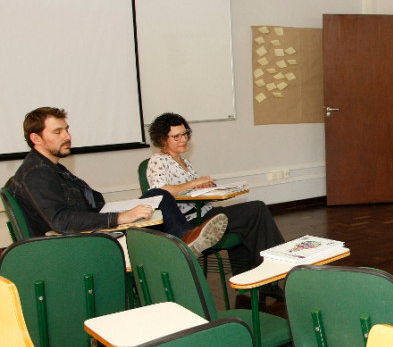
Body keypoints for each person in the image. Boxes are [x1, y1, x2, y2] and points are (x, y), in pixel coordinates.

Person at [8, 107, 227, 258]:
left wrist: (121, 209)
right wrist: (120, 216)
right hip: (72, 244)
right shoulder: (37, 173)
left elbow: (85, 203)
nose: (67, 136)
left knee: (159, 197)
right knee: (158, 203)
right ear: (36, 138)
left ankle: (184, 242)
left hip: (87, 228)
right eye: (58, 132)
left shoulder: (50, 167)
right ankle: (184, 243)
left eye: (66, 129)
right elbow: (61, 221)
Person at [145, 113, 286, 279]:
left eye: (185, 134)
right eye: (176, 136)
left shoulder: (183, 160)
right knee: (257, 209)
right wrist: (193, 183)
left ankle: (255, 277)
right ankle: (278, 268)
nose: (183, 139)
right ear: (162, 139)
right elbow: (159, 193)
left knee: (250, 223)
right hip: (189, 221)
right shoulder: (158, 160)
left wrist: (202, 187)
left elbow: (186, 191)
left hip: (204, 212)